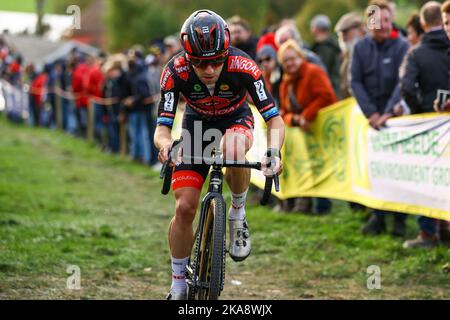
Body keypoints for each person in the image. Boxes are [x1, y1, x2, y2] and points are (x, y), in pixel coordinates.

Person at [154, 10, 285, 300]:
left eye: (216, 60)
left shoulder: (244, 66)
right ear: (188, 57)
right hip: (195, 127)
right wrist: (167, 146)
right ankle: (177, 285)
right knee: (184, 208)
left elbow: (274, 118)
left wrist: (273, 150)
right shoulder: (174, 71)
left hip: (235, 120)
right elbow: (162, 127)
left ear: (226, 52)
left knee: (234, 147)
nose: (209, 69)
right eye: (200, 63)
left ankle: (237, 213)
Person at [350, 0, 409, 237]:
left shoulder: (403, 46)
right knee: (375, 169)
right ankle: (378, 216)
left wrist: (387, 113)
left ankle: (400, 220)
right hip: (372, 122)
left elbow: (403, 81)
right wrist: (372, 114)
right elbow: (355, 81)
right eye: (377, 20)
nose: (382, 25)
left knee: (398, 170)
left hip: (396, 119)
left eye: (386, 20)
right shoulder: (360, 48)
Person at [401, 1, 450, 249]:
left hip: (428, 124)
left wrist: (421, 110)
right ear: (441, 22)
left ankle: (428, 232)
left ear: (422, 24)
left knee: (428, 176)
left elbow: (407, 88)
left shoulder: (416, 53)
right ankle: (444, 227)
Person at [277, 39, 337, 215]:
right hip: (301, 131)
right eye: (286, 60)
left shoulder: (313, 72)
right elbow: (284, 111)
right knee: (305, 167)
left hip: (319, 127)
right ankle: (305, 203)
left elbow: (327, 96)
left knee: (321, 166)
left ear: (300, 57)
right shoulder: (286, 82)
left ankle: (323, 207)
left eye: (293, 58)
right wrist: (294, 119)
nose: (290, 63)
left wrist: (306, 116)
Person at [335, 12, 366, 99]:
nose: (343, 38)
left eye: (346, 32)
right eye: (340, 34)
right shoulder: (346, 57)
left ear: (360, 29)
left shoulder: (369, 51)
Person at [310, 14, 341, 98]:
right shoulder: (333, 44)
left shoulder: (323, 48)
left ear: (317, 28)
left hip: (330, 90)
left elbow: (323, 70)